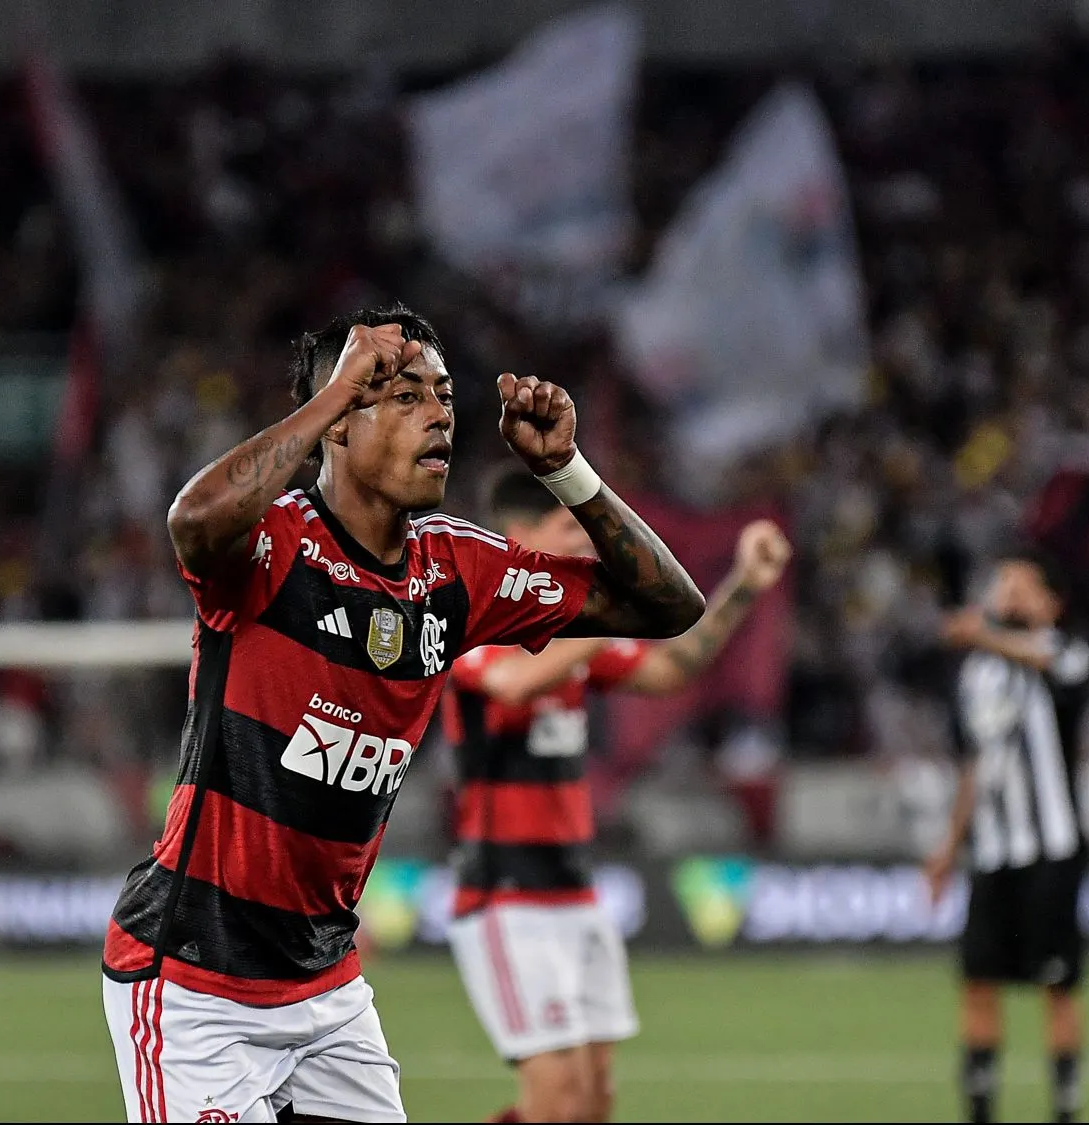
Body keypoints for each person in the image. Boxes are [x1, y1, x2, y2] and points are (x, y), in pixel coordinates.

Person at [101, 304, 706, 1123]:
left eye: (446, 396)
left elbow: (669, 606)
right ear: (343, 421)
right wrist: (327, 400)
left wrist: (568, 472)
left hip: (323, 989)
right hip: (195, 980)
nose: (440, 414)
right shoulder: (271, 546)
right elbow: (191, 521)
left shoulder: (455, 569)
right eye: (405, 393)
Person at [442, 472, 790, 1123]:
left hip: (575, 891)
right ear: (520, 537)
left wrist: (744, 584)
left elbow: (673, 666)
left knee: (594, 1102)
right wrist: (617, 607)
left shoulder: (575, 638)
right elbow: (516, 684)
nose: (587, 543)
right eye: (571, 527)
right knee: (556, 1101)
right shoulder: (475, 622)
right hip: (505, 895)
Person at [924, 553, 1089, 1125]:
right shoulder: (977, 675)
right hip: (992, 852)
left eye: (1024, 587)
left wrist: (984, 634)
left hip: (1052, 847)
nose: (1011, 596)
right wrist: (949, 847)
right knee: (977, 981)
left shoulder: (1065, 652)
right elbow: (975, 765)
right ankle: (979, 1112)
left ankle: (1065, 1111)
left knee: (1058, 986)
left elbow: (1053, 661)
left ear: (1050, 603)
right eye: (1004, 586)